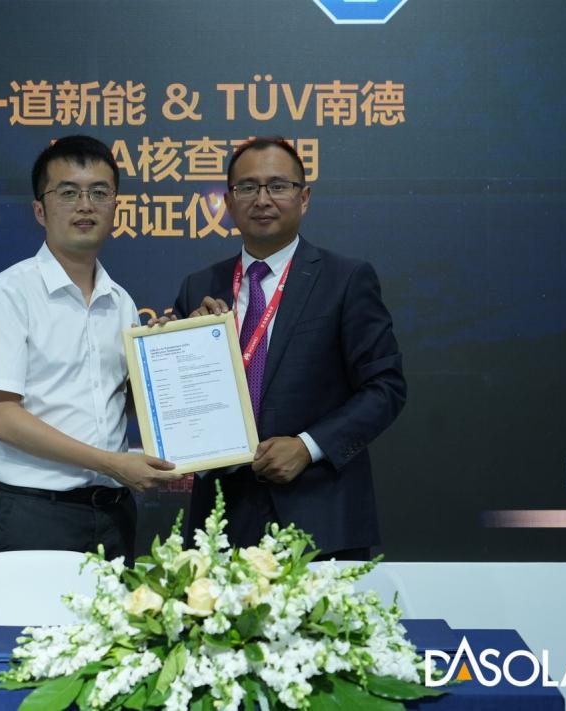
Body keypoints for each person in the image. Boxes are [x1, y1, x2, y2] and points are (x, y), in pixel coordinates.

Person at [170, 136, 406, 560]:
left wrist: (307, 446)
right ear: (228, 202)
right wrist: (179, 347)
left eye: (278, 186)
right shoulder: (199, 286)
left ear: (304, 198)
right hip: (220, 521)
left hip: (319, 517)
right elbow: (181, 404)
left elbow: (385, 387)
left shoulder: (345, 279)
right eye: (247, 187)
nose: (262, 199)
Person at [0, 135, 179, 563]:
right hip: (36, 513)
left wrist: (161, 361)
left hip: (114, 514)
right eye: (68, 193)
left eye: (99, 193)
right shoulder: (9, 294)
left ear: (115, 206)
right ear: (40, 210)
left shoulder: (120, 302)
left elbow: (123, 404)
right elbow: (0, 417)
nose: (86, 206)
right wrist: (111, 463)